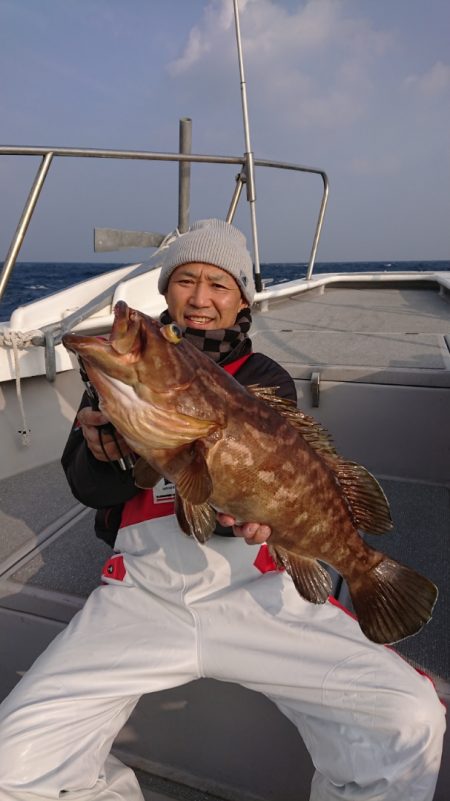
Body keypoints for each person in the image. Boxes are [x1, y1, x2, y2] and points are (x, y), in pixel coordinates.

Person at [0, 219, 445, 801]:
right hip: (141, 595)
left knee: (408, 718)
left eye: (219, 285)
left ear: (241, 301)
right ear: (166, 292)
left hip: (256, 589)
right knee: (14, 760)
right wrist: (102, 451)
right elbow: (90, 489)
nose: (201, 298)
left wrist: (262, 520)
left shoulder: (263, 379)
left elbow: (260, 489)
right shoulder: (123, 376)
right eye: (186, 281)